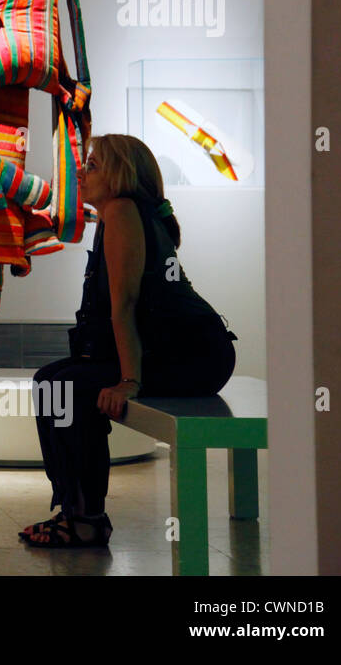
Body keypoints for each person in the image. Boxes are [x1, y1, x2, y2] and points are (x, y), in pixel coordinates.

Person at [20, 133, 238, 548]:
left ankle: (85, 518)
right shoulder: (117, 214)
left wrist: (129, 382)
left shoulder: (122, 211)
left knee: (63, 388)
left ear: (121, 175)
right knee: (51, 382)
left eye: (94, 165)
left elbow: (126, 305)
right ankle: (73, 510)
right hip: (177, 350)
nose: (82, 172)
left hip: (194, 355)